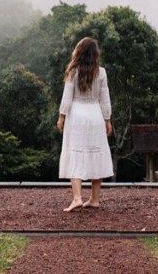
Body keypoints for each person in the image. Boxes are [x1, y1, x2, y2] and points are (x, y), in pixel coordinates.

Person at [57, 36, 114, 212]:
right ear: (95, 54)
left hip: (76, 116)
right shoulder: (101, 72)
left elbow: (67, 97)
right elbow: (105, 99)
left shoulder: (72, 71)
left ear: (79, 51)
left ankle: (77, 198)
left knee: (75, 153)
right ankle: (94, 199)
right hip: (95, 115)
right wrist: (107, 119)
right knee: (97, 153)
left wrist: (61, 117)